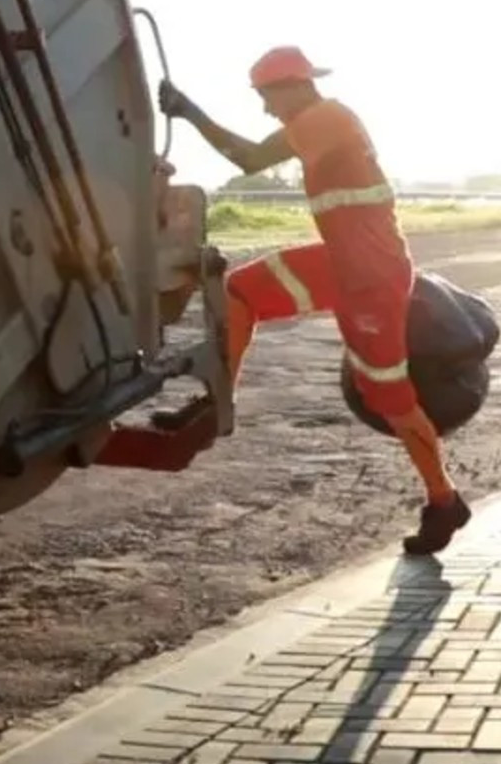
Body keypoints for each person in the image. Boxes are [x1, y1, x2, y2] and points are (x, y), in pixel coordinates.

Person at [159, 45, 470, 556]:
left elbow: (250, 158)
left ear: (295, 86)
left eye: (266, 97)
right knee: (240, 290)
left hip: (372, 278)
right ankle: (217, 406)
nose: (264, 109)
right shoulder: (321, 120)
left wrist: (190, 112)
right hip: (340, 265)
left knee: (389, 398)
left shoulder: (327, 117)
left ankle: (444, 501)